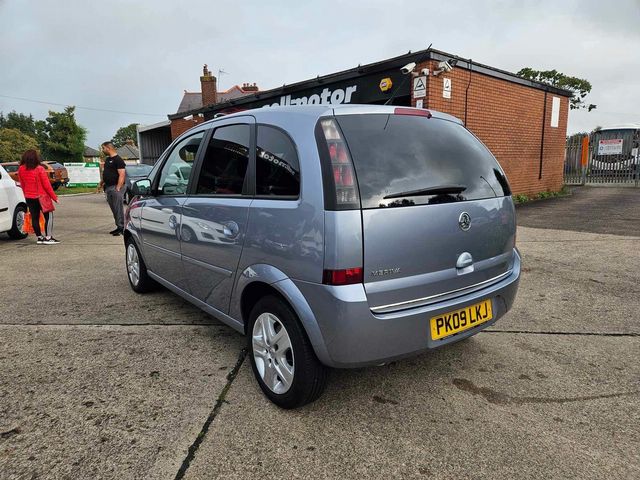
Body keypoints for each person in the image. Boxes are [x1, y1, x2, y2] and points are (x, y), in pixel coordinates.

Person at [17, 149, 59, 245]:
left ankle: (40, 237)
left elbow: (22, 184)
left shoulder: (21, 169)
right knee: (49, 216)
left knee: (35, 217)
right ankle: (48, 237)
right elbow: (46, 185)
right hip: (41, 197)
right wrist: (54, 197)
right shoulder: (39, 168)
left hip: (29, 197)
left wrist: (25, 195)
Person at [100, 141, 126, 235]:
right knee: (113, 208)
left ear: (108, 148)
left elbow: (122, 174)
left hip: (116, 187)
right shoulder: (107, 160)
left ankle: (122, 228)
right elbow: (106, 173)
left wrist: (118, 188)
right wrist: (101, 183)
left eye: (103, 148)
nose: (103, 150)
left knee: (118, 208)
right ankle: (118, 226)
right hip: (108, 187)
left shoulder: (118, 160)